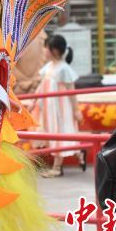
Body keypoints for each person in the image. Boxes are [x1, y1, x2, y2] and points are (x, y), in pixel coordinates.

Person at [34, 34, 85, 178]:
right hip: (51, 108)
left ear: (54, 50)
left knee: (61, 132)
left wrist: (76, 110)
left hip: (61, 109)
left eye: (46, 48)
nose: (44, 50)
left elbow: (71, 90)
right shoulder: (49, 67)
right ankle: (80, 154)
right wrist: (33, 101)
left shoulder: (63, 69)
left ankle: (57, 167)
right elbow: (41, 85)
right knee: (61, 132)